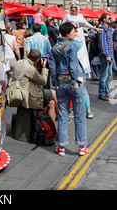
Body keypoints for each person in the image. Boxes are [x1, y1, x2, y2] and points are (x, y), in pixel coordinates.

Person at [49, 22, 89, 157]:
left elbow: (52, 68)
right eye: (73, 31)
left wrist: (55, 83)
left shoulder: (54, 47)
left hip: (60, 83)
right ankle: (82, 147)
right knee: (79, 115)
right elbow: (72, 66)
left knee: (63, 116)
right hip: (74, 83)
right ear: (67, 33)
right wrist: (73, 82)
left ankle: (61, 147)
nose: (74, 33)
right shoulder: (71, 46)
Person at [11, 49, 57, 124]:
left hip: (18, 91)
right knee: (54, 93)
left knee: (52, 103)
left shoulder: (19, 63)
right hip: (29, 94)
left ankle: (53, 127)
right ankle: (59, 119)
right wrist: (44, 68)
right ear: (38, 59)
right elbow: (43, 82)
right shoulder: (31, 69)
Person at [98, 13, 114, 101]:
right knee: (104, 75)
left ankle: (106, 93)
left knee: (109, 75)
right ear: (104, 19)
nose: (110, 19)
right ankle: (102, 93)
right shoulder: (103, 29)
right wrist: (107, 55)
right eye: (109, 18)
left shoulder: (109, 29)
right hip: (105, 56)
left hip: (110, 55)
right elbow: (103, 44)